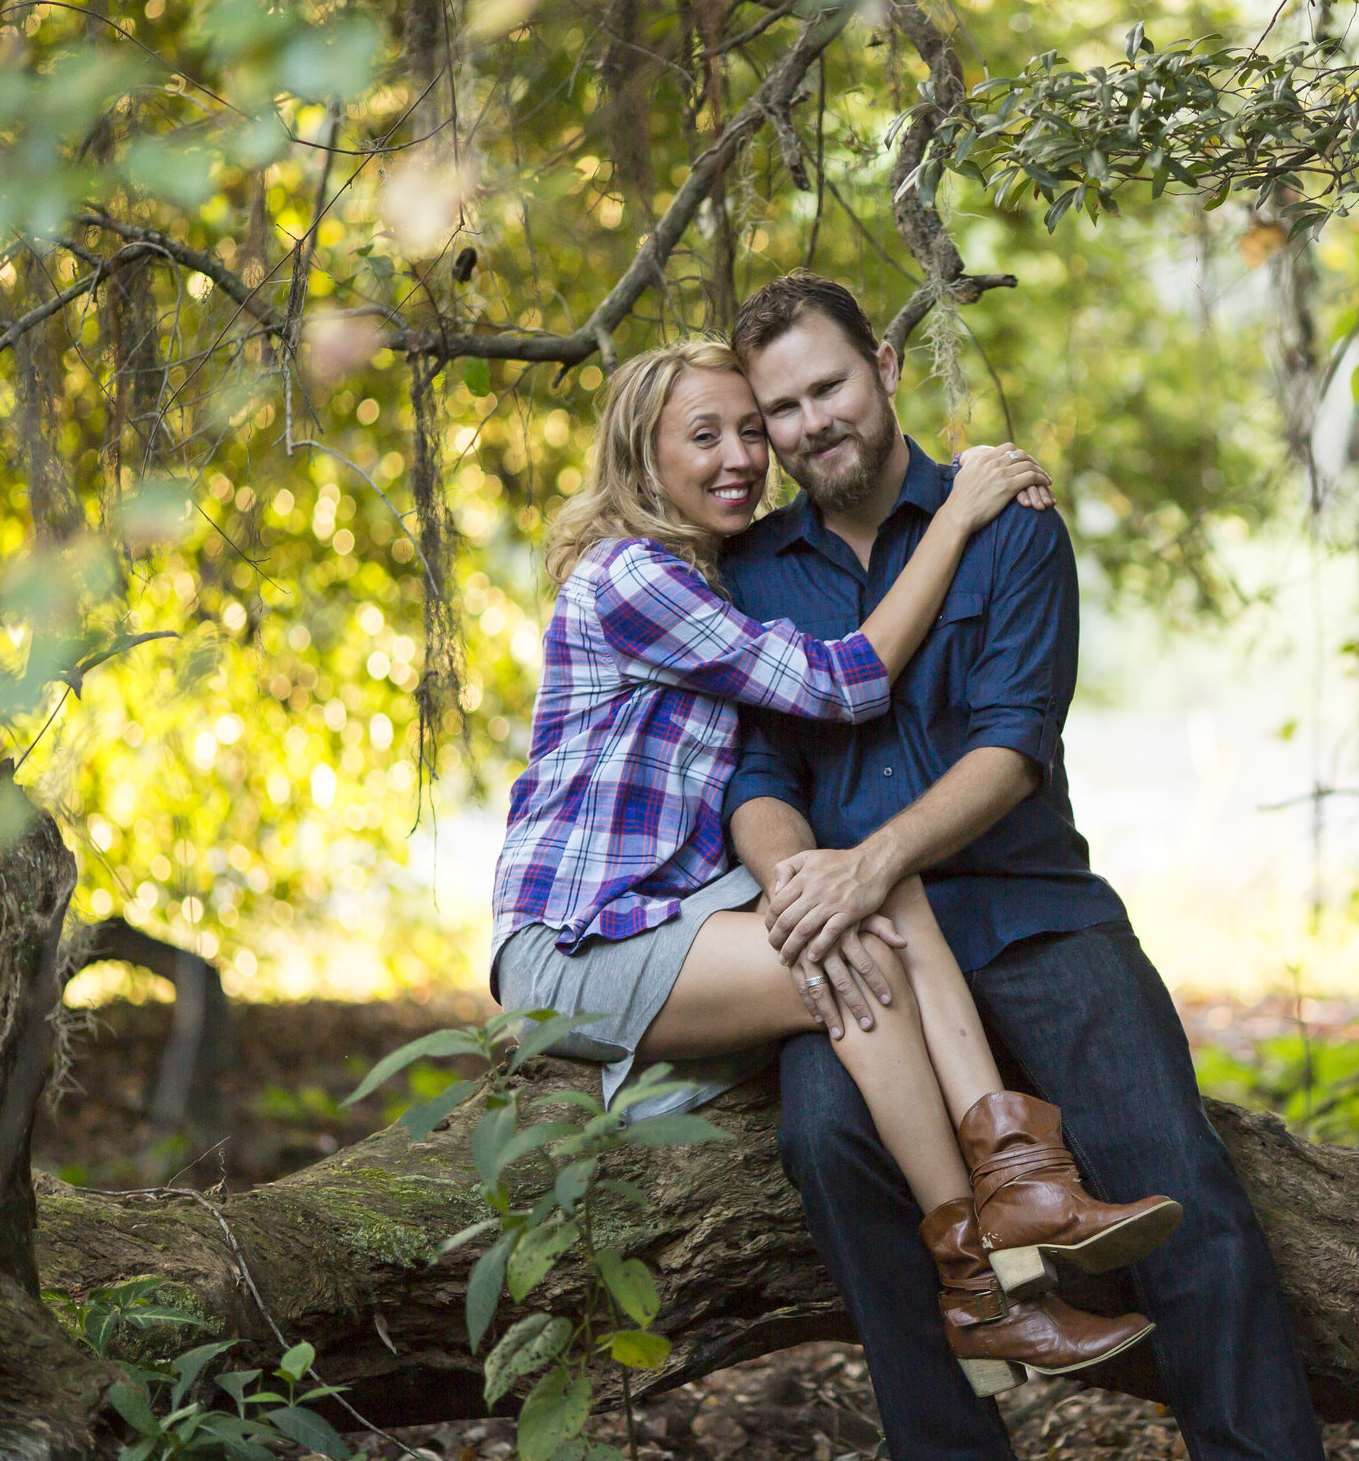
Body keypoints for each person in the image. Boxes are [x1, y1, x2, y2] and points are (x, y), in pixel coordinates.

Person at [489, 338, 1182, 1393]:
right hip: (575, 939)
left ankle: (1019, 1174)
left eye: (748, 430)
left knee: (867, 875)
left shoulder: (702, 575)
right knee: (848, 957)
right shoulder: (633, 576)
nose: (740, 457)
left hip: (663, 913)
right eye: (703, 436)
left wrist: (823, 871)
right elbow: (840, 682)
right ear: (642, 456)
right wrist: (954, 518)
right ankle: (983, 1281)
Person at [719, 273, 1327, 1460]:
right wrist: (805, 886)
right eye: (780, 408)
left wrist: (870, 862)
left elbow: (1011, 748)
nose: (810, 423)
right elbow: (752, 775)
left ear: (884, 369)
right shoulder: (750, 572)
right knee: (828, 1145)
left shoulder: (1011, 520)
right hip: (867, 941)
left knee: (1177, 1186)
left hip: (1031, 912)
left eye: (827, 386)